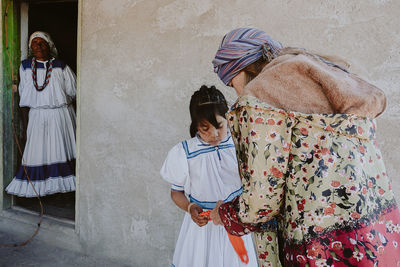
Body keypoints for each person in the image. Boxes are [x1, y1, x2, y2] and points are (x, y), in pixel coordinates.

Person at [210, 27, 400, 266]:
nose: (235, 91)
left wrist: (226, 215)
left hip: (320, 250)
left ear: (243, 67)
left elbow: (262, 201)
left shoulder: (259, 99)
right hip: (376, 236)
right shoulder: (323, 76)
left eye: (230, 81)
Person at [160, 85, 258, 267]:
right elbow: (176, 192)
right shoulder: (184, 152)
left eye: (219, 126)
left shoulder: (240, 145)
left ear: (228, 119)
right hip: (202, 230)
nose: (214, 134)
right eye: (205, 128)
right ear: (195, 125)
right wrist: (190, 208)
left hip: (233, 223)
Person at [6, 31, 76, 197]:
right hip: (37, 116)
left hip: (61, 115)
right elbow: (24, 99)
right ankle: (41, 190)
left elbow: (73, 91)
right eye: (34, 43)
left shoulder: (61, 66)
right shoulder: (25, 67)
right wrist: (24, 127)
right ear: (30, 47)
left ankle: (63, 192)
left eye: (42, 42)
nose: (38, 46)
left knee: (61, 150)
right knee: (37, 152)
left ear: (49, 45)